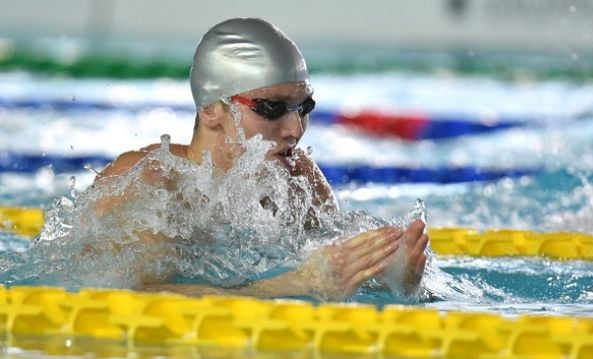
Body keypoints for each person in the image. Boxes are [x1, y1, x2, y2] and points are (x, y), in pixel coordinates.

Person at [92, 17, 429, 301]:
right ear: (212, 108)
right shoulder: (152, 184)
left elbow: (332, 274)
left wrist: (391, 278)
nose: (295, 129)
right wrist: (295, 285)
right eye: (271, 108)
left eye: (303, 108)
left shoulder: (299, 182)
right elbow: (137, 297)